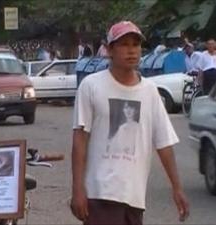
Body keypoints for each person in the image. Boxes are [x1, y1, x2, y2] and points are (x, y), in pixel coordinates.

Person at [71, 21, 189, 225]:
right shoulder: (91, 86)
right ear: (109, 50)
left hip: (134, 197)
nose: (131, 51)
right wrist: (78, 189)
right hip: (100, 194)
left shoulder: (150, 91)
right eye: (124, 45)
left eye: (135, 45)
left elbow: (164, 143)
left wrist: (177, 188)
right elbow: (80, 141)